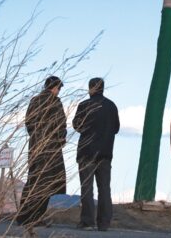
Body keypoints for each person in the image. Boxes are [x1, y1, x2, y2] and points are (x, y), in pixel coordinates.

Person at [16, 76, 67, 235]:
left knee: (33, 179)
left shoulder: (34, 101)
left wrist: (36, 137)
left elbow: (29, 123)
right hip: (51, 149)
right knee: (46, 183)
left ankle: (24, 216)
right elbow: (61, 125)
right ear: (55, 87)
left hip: (35, 146)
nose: (58, 92)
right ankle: (37, 216)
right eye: (59, 88)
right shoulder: (55, 102)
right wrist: (60, 139)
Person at [72, 77, 120, 231]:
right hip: (105, 152)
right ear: (103, 88)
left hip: (86, 152)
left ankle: (87, 221)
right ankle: (104, 222)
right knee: (104, 188)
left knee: (87, 187)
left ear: (91, 88)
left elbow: (76, 125)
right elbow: (116, 128)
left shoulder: (84, 105)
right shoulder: (111, 106)